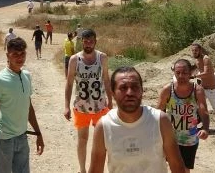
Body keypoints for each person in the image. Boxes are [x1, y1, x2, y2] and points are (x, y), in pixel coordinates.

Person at [88, 66, 183, 173]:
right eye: (123, 88)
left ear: (142, 90)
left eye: (135, 87)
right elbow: (95, 170)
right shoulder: (104, 126)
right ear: (113, 93)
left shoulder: (160, 121)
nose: (130, 93)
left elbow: (177, 166)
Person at [0, 38, 44, 172]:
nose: (20, 58)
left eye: (22, 53)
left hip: (22, 138)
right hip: (3, 140)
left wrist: (38, 133)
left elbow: (29, 108)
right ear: (8, 56)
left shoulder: (27, 76)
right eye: (15, 54)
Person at [64, 29, 113, 173]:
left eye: (91, 41)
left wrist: (110, 100)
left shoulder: (102, 58)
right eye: (85, 41)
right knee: (82, 139)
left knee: (102, 141)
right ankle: (82, 170)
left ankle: (98, 169)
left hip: (100, 106)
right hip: (81, 107)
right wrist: (66, 106)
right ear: (82, 42)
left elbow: (106, 80)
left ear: (95, 42)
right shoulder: (75, 60)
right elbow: (69, 83)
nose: (88, 44)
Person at [157, 59, 210, 172]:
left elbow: (203, 111)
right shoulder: (167, 90)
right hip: (170, 138)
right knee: (172, 166)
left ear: (190, 73)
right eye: (178, 73)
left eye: (185, 73)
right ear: (174, 73)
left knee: (185, 168)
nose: (181, 76)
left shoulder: (197, 90)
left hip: (190, 139)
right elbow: (158, 112)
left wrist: (205, 129)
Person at [190, 43, 215, 132]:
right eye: (193, 50)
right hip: (203, 88)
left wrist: (194, 76)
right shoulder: (196, 59)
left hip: (211, 88)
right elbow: (194, 68)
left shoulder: (206, 59)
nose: (194, 52)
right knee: (198, 106)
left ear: (200, 50)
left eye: (196, 50)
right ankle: (202, 125)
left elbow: (207, 73)